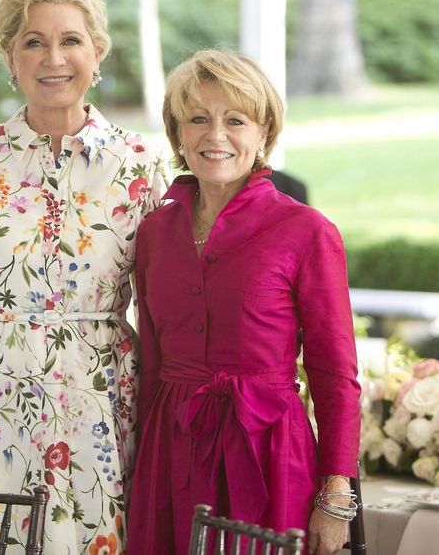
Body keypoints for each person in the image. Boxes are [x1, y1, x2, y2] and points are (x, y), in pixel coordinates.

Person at [0, 0, 165, 552]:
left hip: (102, 398)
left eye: (71, 40)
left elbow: (166, 304)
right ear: (10, 58)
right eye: (33, 41)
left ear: (97, 51)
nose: (53, 58)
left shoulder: (141, 164)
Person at [127, 49, 361, 555]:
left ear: (263, 134)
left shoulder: (306, 231)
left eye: (235, 120)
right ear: (178, 134)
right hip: (169, 455)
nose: (215, 136)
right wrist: (140, 468)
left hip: (269, 456)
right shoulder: (153, 233)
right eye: (197, 119)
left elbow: (334, 373)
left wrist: (336, 495)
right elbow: (151, 364)